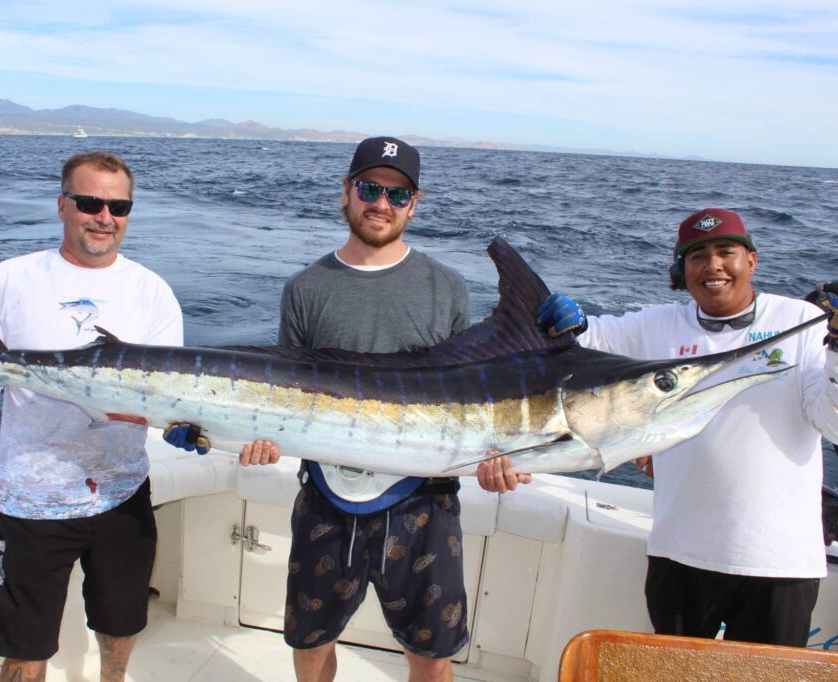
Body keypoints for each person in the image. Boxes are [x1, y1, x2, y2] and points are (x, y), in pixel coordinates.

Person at [236, 137, 529, 682]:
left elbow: (468, 396)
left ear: (414, 204)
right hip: (327, 493)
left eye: (399, 194)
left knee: (432, 652)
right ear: (346, 192)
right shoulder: (306, 287)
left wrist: (495, 458)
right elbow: (282, 394)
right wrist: (256, 436)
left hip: (424, 500)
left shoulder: (447, 286)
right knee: (309, 638)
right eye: (370, 188)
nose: (382, 203)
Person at [537, 207, 838, 646]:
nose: (712, 265)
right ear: (682, 269)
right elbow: (584, 337)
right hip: (680, 553)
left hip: (781, 562)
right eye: (697, 256)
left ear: (751, 260)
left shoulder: (802, 323)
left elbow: (832, 422)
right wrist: (561, 318)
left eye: (725, 251)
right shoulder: (657, 325)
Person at [0, 151, 184, 681]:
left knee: (122, 620)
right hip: (29, 499)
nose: (104, 217)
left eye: (119, 206)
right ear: (62, 205)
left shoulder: (152, 291)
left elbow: (168, 401)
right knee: (23, 645)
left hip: (121, 493)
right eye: (90, 203)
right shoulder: (9, 279)